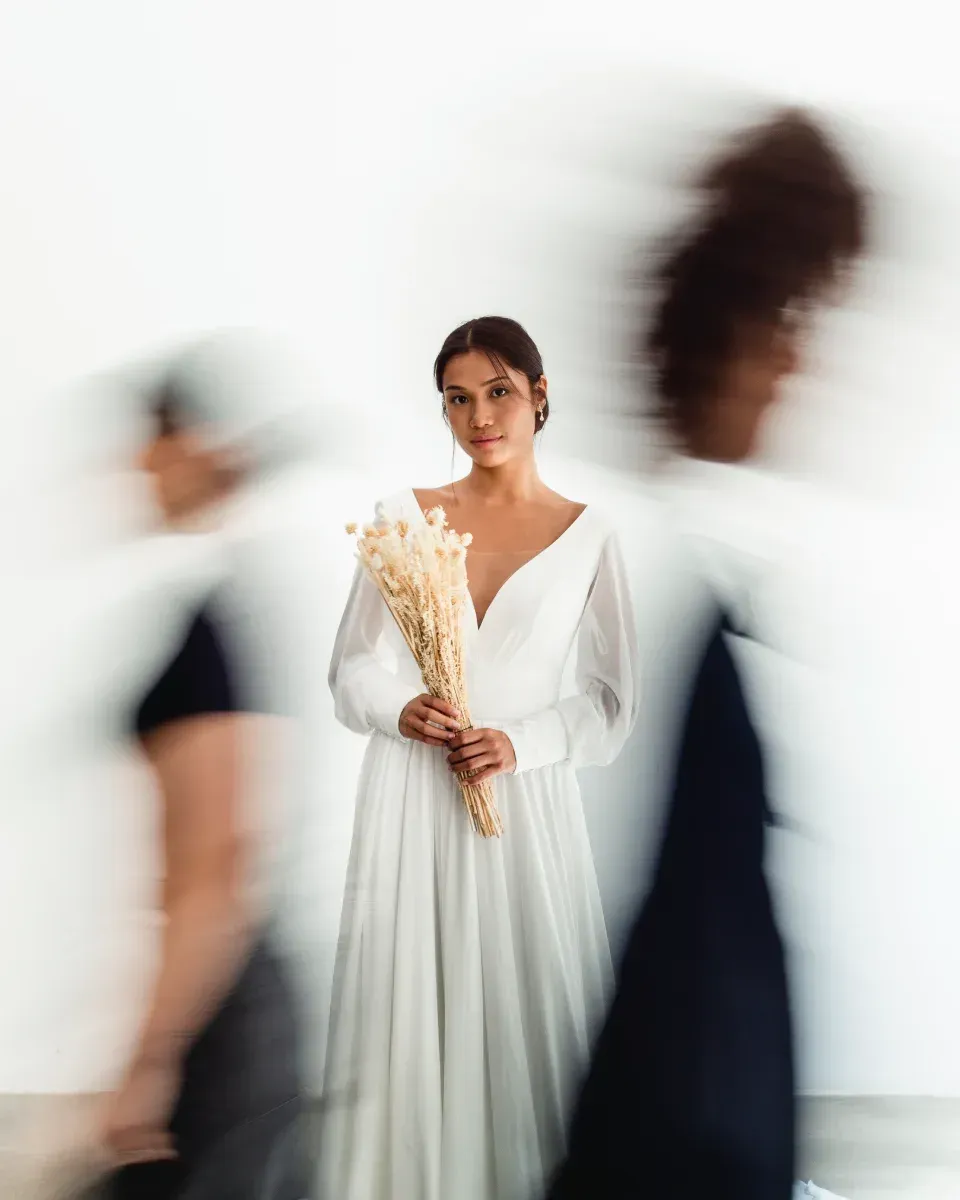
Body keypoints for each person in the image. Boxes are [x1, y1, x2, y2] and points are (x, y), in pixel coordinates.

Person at [547, 109, 868, 1200]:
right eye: (792, 318)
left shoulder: (678, 582)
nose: (801, 362)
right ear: (730, 333)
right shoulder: (654, 591)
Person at [320, 315, 640, 1200]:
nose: (479, 415)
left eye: (498, 391)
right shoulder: (401, 520)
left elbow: (613, 701)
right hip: (414, 792)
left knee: (524, 1006)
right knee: (416, 1001)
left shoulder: (591, 533)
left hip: (525, 804)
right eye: (457, 398)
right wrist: (399, 709)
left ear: (540, 394)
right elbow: (349, 670)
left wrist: (519, 743)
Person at [101, 343, 311, 1199]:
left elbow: (217, 862)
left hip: (226, 1017)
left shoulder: (218, 618)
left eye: (156, 439)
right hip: (242, 1007)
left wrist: (149, 1062)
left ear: (198, 446)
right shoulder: (245, 596)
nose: (139, 464)